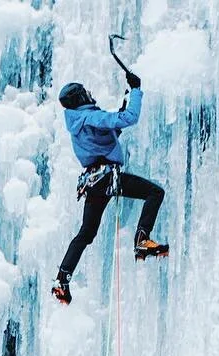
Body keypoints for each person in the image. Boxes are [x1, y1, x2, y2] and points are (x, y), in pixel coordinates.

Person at [53, 72, 168, 306]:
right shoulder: (89, 117)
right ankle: (142, 240)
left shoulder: (78, 121)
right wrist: (136, 90)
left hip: (92, 183)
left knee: (86, 233)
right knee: (155, 193)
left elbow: (111, 131)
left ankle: (62, 280)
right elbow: (128, 119)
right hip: (106, 178)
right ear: (80, 97)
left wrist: (122, 105)